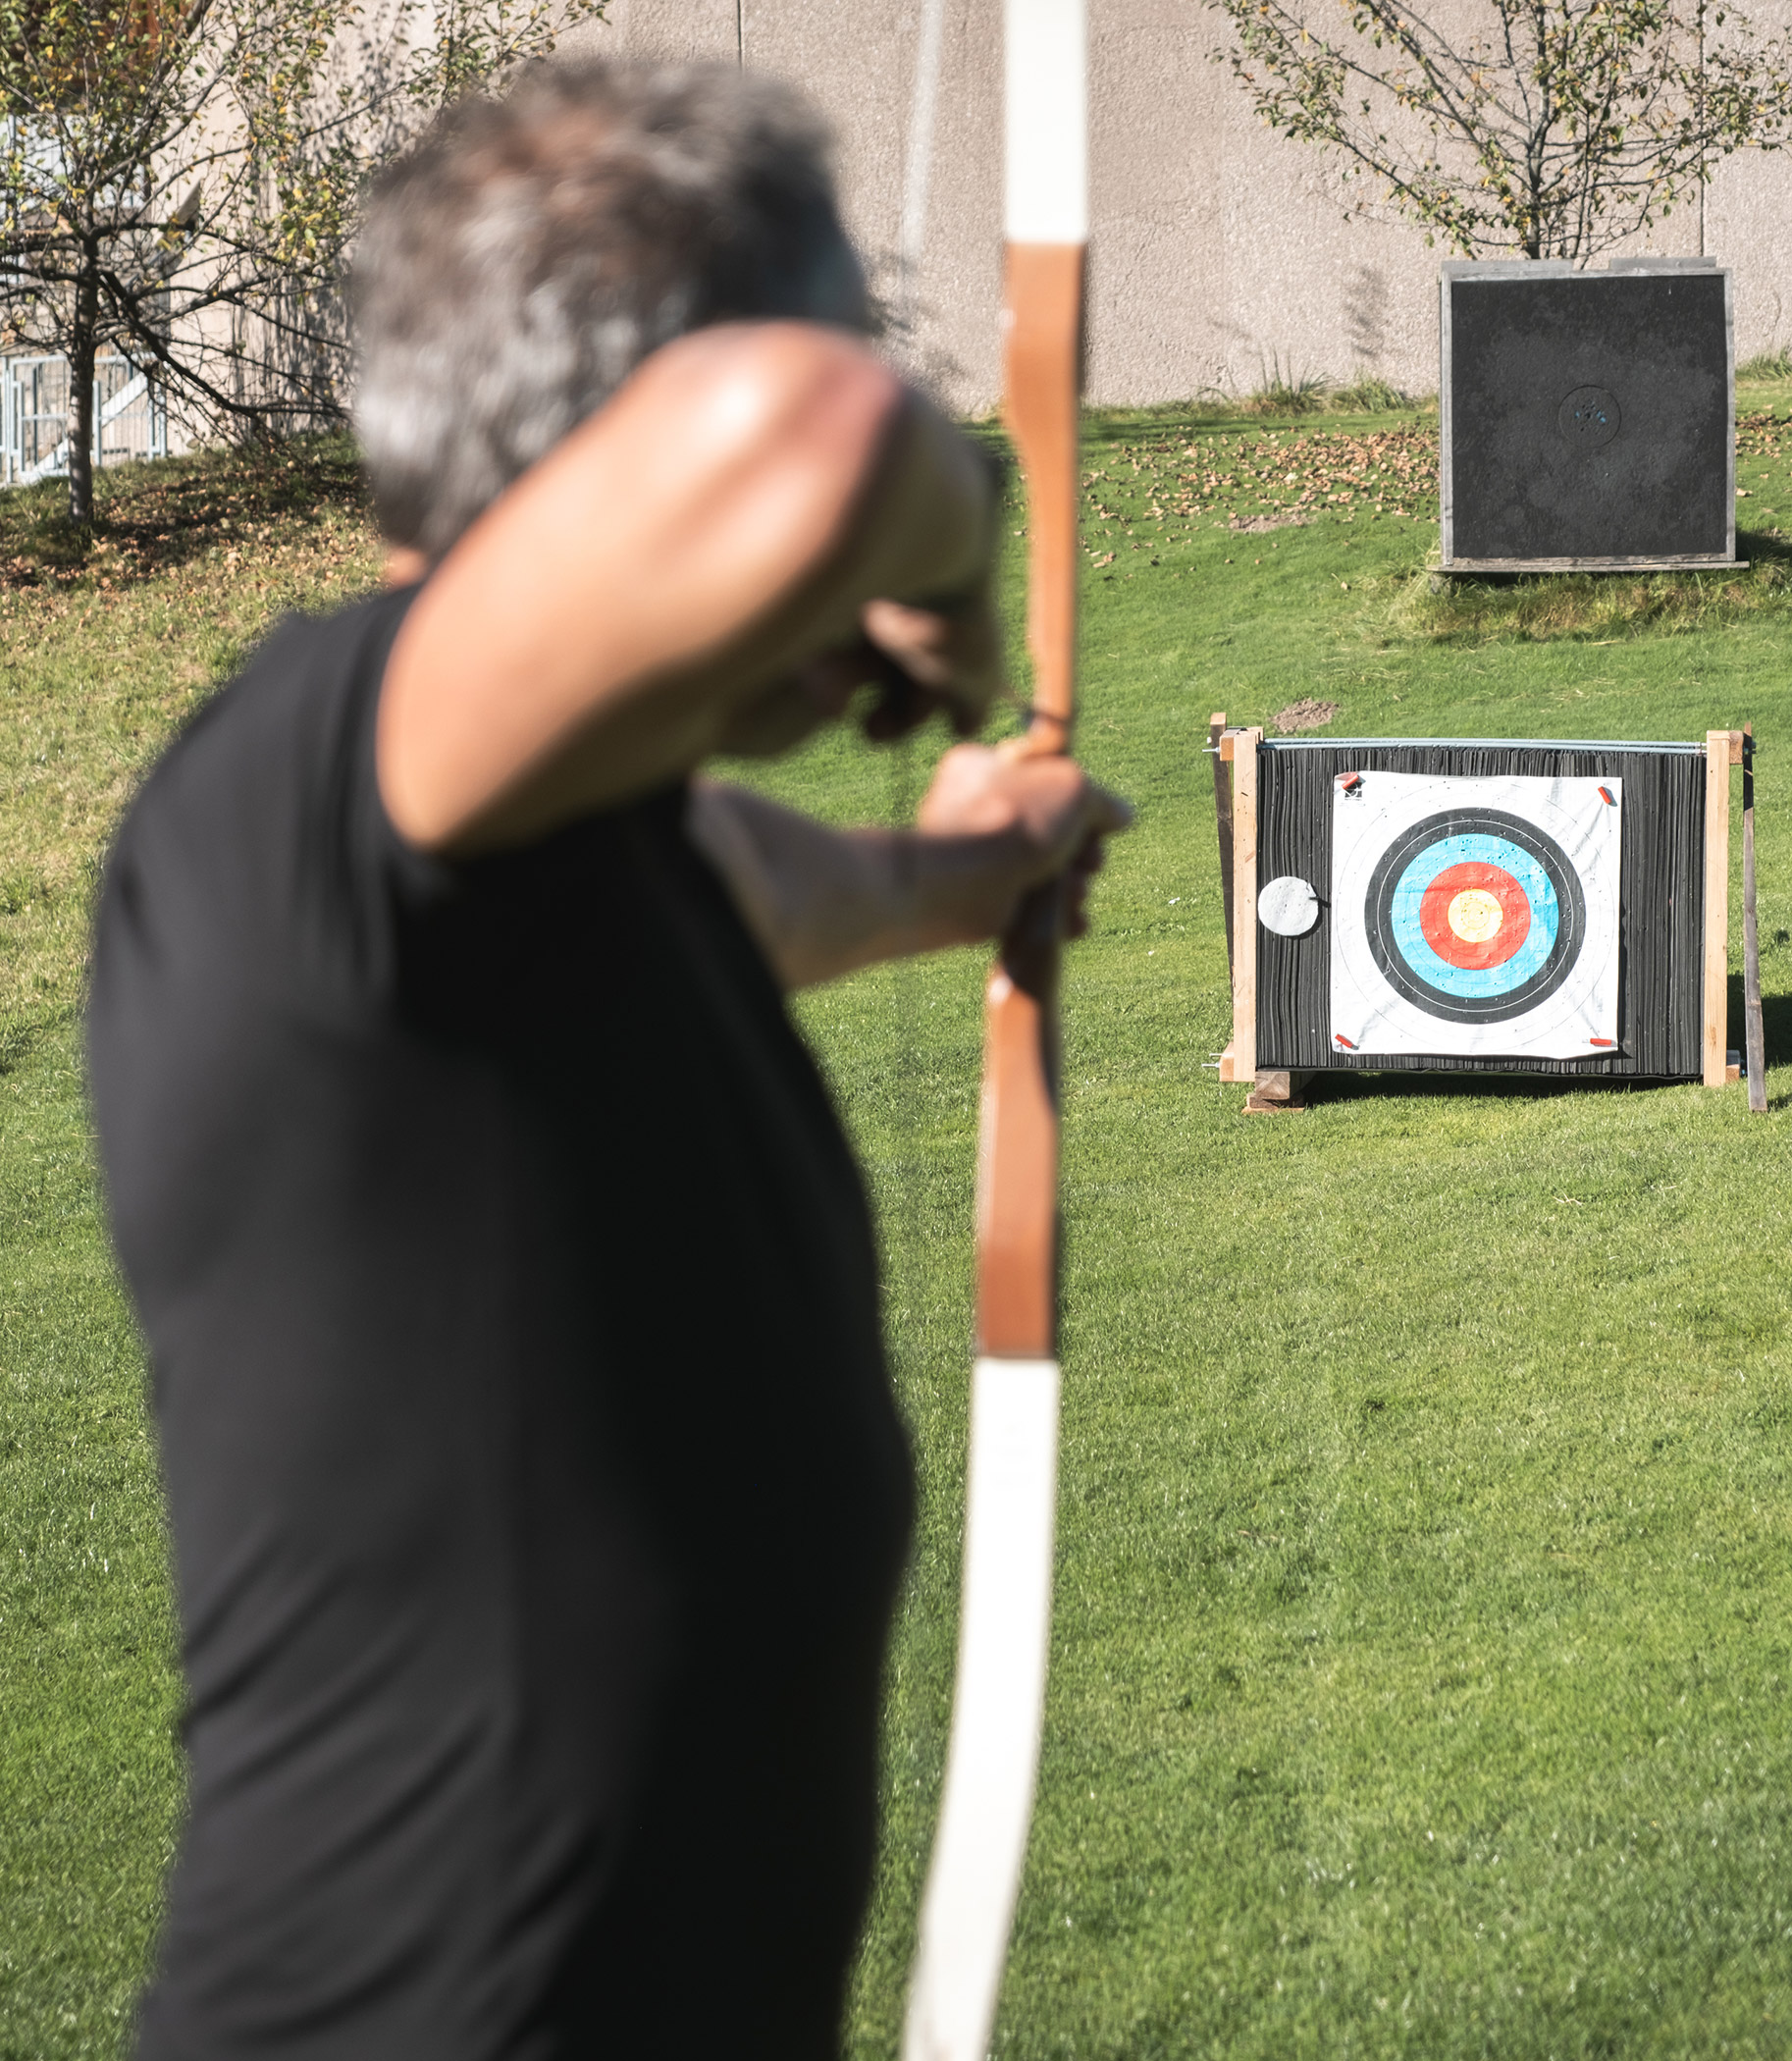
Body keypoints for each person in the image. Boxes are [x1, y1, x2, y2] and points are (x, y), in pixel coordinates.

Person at [88, 60, 1129, 2060]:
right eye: (856, 341)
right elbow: (821, 445)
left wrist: (975, 861)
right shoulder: (324, 757)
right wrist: (953, 589)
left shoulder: (568, 849)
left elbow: (777, 882)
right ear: (641, 432)